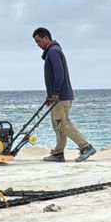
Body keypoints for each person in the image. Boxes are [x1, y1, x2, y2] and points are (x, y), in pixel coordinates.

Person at [34, 27, 96, 162]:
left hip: (61, 96)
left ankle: (86, 147)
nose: (38, 45)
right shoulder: (52, 51)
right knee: (57, 124)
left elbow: (59, 73)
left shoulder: (53, 52)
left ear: (46, 38)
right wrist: (50, 96)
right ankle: (58, 153)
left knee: (63, 123)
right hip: (57, 96)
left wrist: (56, 92)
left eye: (38, 41)